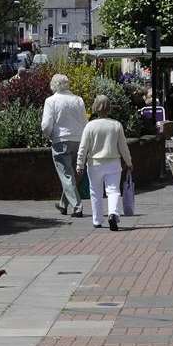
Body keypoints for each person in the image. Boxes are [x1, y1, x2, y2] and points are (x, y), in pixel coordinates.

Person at [77, 95, 133, 231]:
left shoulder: (90, 126)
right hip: (113, 162)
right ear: (109, 108)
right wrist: (129, 162)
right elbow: (123, 147)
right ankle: (113, 213)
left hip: (94, 163)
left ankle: (97, 220)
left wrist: (79, 164)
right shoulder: (116, 125)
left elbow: (83, 147)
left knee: (95, 191)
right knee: (113, 190)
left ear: (95, 107)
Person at [41, 74, 87, 217]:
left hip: (61, 140)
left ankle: (77, 206)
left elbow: (46, 125)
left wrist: (48, 135)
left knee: (66, 174)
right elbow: (84, 121)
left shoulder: (51, 101)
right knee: (72, 175)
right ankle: (63, 204)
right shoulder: (78, 100)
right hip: (79, 140)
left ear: (54, 85)